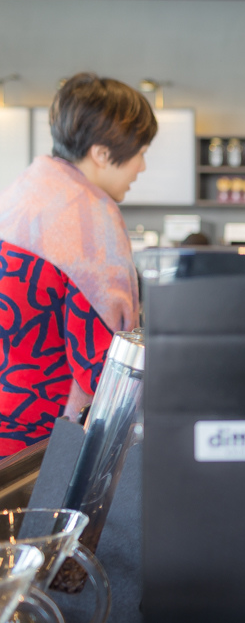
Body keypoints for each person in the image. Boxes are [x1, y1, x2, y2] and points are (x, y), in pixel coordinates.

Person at [0, 72, 156, 457]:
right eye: (140, 151)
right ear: (102, 153)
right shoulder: (88, 222)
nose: (142, 166)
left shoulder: (22, 194)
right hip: (39, 443)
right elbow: (108, 369)